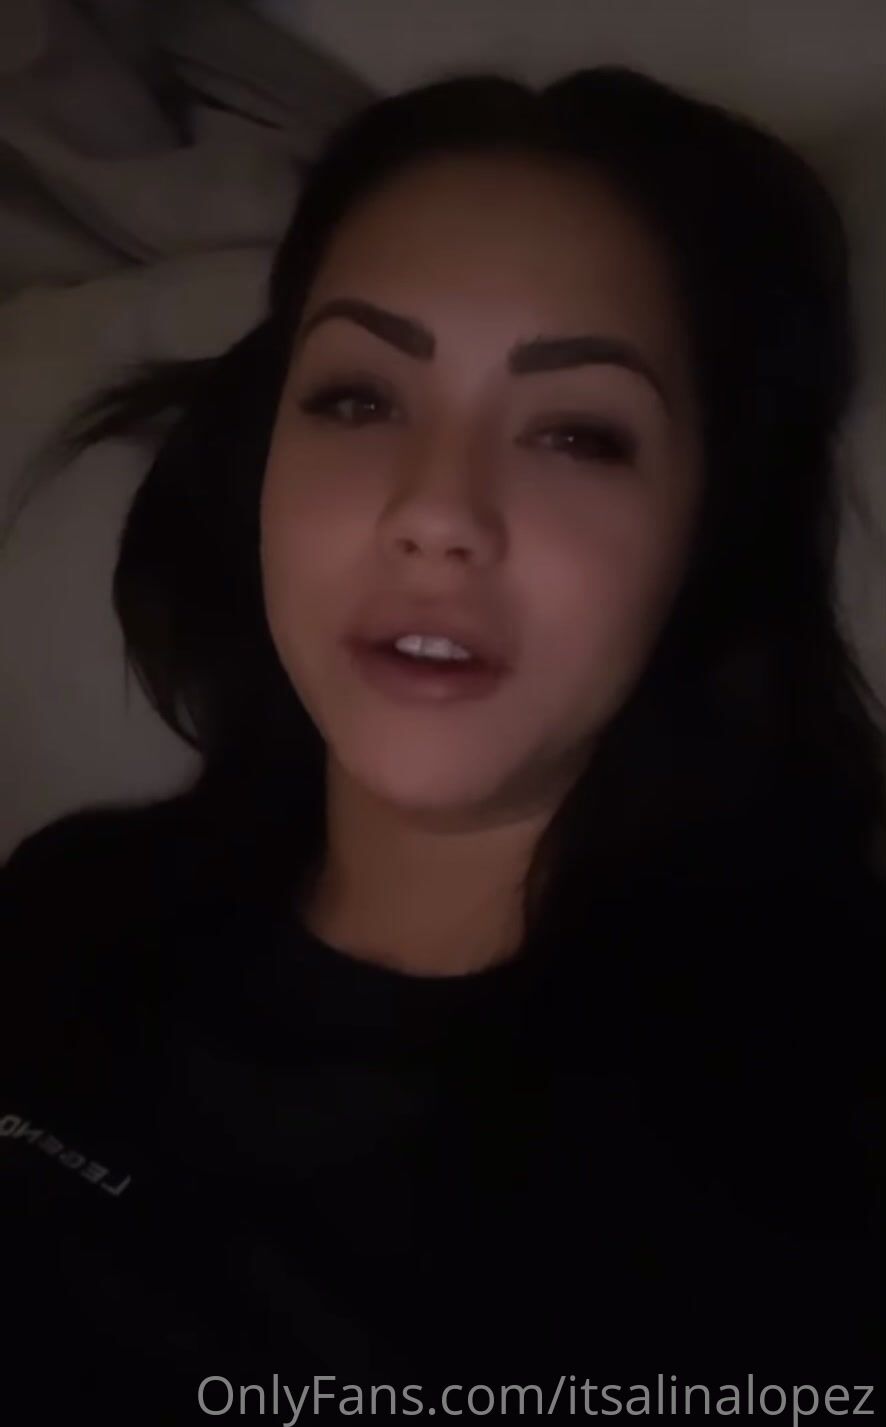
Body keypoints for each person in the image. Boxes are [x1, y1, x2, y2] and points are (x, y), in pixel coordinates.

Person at [1, 65, 883, 1424]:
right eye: (359, 398)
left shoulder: (818, 1129)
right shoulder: (72, 909)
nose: (437, 512)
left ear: (710, 535)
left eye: (579, 433)